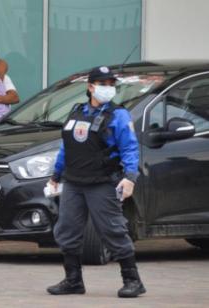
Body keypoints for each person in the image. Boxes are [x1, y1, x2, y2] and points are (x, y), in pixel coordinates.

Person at [46, 66, 145, 298]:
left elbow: (129, 148)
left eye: (111, 85)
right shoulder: (77, 111)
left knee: (113, 229)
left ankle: (133, 280)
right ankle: (73, 281)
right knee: (67, 230)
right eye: (103, 84)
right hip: (73, 182)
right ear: (90, 87)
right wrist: (56, 175)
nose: (108, 89)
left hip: (102, 182)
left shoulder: (118, 115)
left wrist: (130, 177)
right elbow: (66, 148)